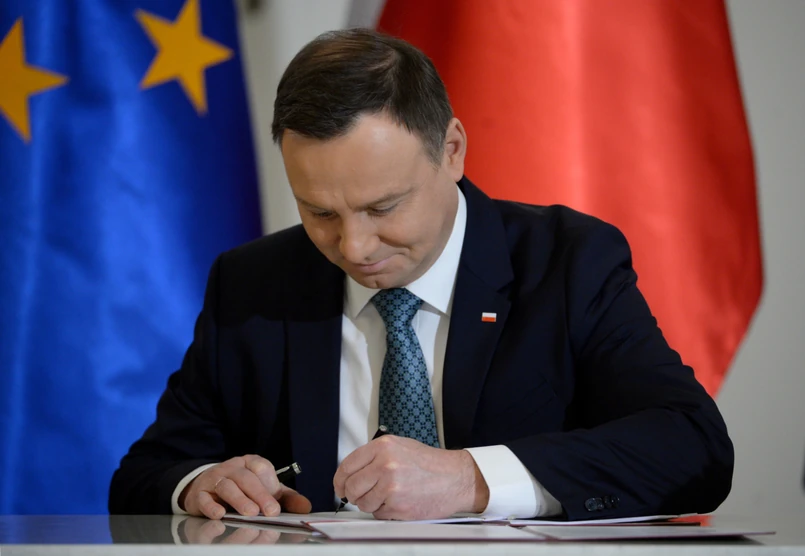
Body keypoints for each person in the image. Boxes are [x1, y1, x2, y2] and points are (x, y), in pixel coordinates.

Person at [109, 28, 734, 521]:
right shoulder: (252, 282)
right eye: (320, 212)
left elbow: (692, 447)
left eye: (383, 207)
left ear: (452, 150)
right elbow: (145, 475)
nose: (354, 247)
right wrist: (203, 483)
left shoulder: (567, 261)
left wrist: (471, 479)